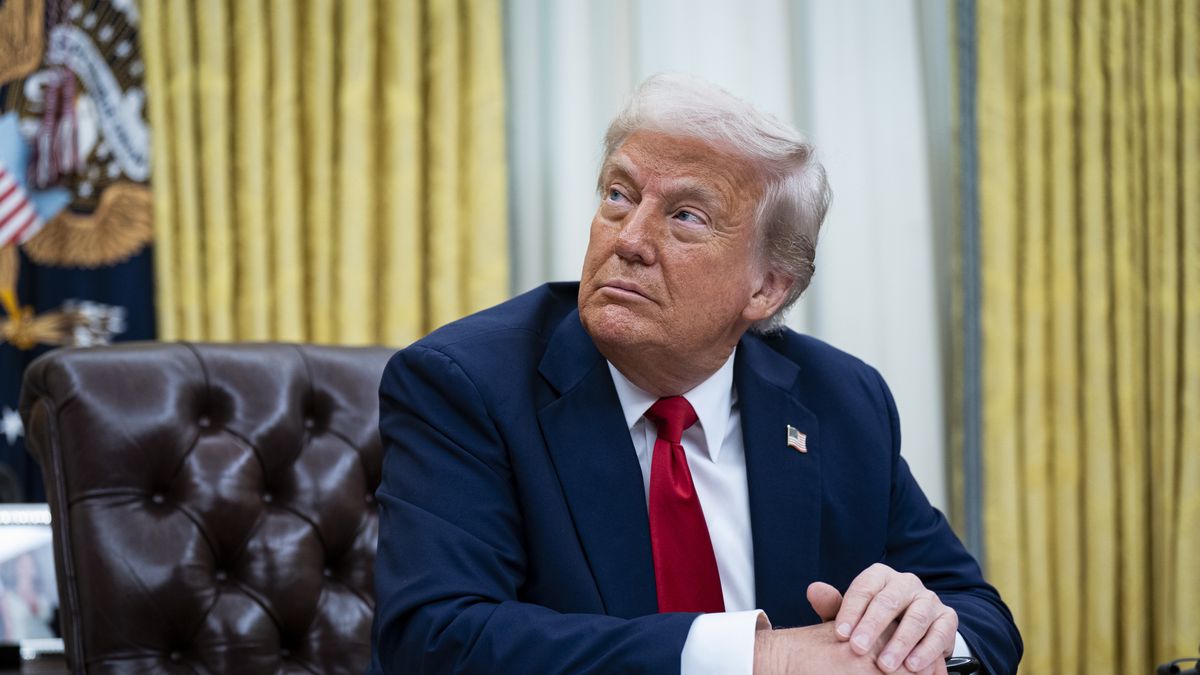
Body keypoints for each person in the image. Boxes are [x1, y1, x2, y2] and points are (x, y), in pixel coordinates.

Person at [370, 73, 1021, 674]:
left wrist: (919, 632)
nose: (628, 238)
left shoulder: (842, 400)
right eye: (618, 195)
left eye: (686, 216)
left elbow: (985, 620)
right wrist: (760, 659)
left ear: (767, 286)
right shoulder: (466, 385)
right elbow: (433, 640)